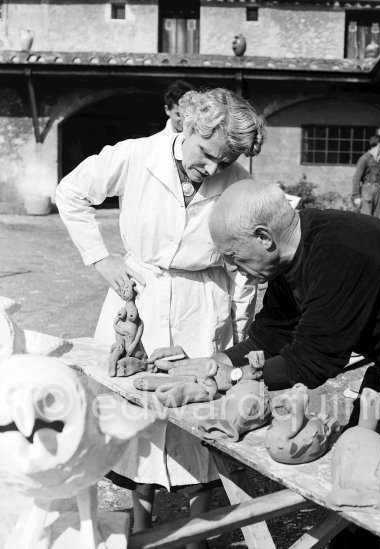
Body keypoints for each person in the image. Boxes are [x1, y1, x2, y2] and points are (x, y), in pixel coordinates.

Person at [151, 180, 380, 512]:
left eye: (232, 255)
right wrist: (212, 363)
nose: (230, 267)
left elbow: (313, 361)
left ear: (264, 237)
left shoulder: (338, 250)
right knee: (359, 461)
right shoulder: (286, 262)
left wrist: (238, 375)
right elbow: (269, 336)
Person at [55, 89, 266, 540]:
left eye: (224, 162)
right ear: (188, 127)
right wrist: (102, 259)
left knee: (200, 412)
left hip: (203, 300)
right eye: (208, 155)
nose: (212, 170)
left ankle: (197, 529)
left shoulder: (239, 181)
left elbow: (247, 267)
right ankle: (142, 522)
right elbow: (70, 192)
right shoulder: (136, 156)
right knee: (137, 411)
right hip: (140, 294)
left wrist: (241, 332)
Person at [351, 132, 380, 215]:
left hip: (378, 192)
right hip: (367, 192)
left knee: (377, 220)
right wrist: (356, 196)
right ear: (379, 144)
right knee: (366, 219)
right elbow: (356, 178)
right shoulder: (365, 159)